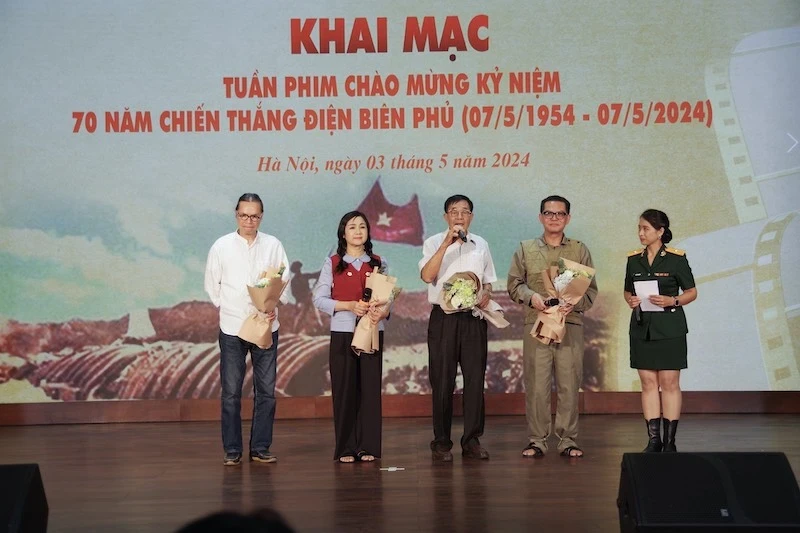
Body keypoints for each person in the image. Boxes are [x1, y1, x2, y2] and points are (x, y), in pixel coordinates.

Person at [507, 195, 597, 458]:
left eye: (560, 214)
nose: (554, 218)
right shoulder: (525, 249)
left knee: (570, 383)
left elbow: (590, 290)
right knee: (537, 383)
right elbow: (514, 285)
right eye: (549, 213)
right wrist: (531, 297)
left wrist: (574, 303)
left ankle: (568, 440)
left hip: (570, 324)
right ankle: (537, 439)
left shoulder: (579, 250)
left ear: (568, 218)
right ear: (540, 217)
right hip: (537, 324)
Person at [204, 193, 290, 466]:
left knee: (266, 391)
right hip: (232, 327)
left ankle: (260, 447)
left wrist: (274, 303)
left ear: (261, 216)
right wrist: (227, 307)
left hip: (266, 325)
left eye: (255, 216)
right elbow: (211, 284)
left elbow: (283, 279)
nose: (249, 220)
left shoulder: (273, 245)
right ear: (236, 215)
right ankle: (232, 450)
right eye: (244, 215)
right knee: (231, 392)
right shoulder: (222, 246)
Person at [420, 194, 497, 461]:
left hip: (473, 318)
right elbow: (428, 276)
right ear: (446, 217)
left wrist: (486, 292)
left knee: (475, 381)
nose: (460, 216)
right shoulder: (432, 242)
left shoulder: (481, 244)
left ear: (472, 217)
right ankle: (441, 442)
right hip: (444, 319)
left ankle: (472, 440)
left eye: (465, 212)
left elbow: (488, 281)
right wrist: (446, 243)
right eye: (454, 212)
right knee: (442, 380)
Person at [312, 211, 389, 463]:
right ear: (343, 233)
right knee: (345, 390)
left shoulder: (378, 262)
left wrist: (383, 310)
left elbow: (389, 298)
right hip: (343, 333)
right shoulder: (332, 263)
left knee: (369, 390)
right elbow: (319, 299)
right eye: (352, 227)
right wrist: (348, 306)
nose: (358, 231)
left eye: (362, 227)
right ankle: (346, 447)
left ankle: (368, 446)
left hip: (371, 334)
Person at [624, 209, 697, 453]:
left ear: (660, 231)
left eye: (645, 228)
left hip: (670, 327)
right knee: (647, 382)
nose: (641, 233)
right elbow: (628, 291)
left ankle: (670, 441)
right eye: (639, 228)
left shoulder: (676, 259)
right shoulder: (634, 259)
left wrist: (672, 301)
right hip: (642, 327)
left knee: (669, 382)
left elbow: (691, 292)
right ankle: (654, 440)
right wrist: (631, 300)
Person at [289, 261, 321, 333]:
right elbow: (294, 293)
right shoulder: (294, 281)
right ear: (295, 270)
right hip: (301, 300)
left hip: (309, 298)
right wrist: (301, 299)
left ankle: (320, 327)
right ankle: (295, 330)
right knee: (300, 316)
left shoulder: (305, 276)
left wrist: (323, 270)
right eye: (297, 269)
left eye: (299, 269)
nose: (299, 270)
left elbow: (315, 275)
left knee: (315, 313)